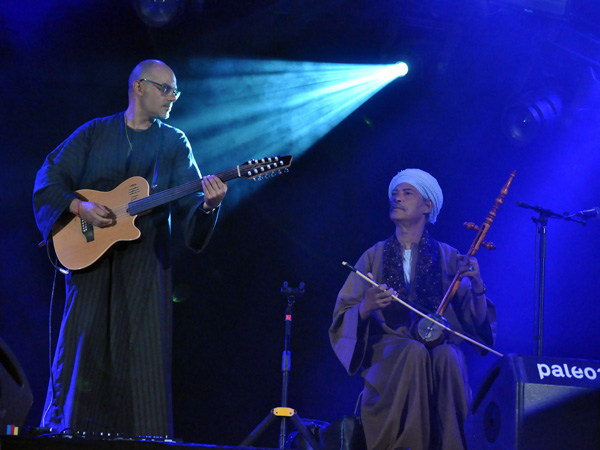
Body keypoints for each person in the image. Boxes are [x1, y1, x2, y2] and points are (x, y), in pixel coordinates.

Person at [33, 60, 228, 438]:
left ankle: (145, 441)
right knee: (80, 351)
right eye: (166, 89)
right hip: (89, 266)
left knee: (143, 359)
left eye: (175, 91)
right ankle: (66, 436)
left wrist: (208, 206)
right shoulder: (94, 133)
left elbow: (191, 207)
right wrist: (79, 206)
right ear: (139, 87)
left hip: (145, 265)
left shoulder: (173, 142)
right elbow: (49, 175)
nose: (173, 97)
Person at [329, 168, 496, 450]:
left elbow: (476, 320)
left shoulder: (449, 256)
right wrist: (366, 307)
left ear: (427, 206)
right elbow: (343, 314)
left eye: (408, 193)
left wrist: (477, 283)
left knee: (448, 356)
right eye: (395, 193)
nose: (398, 198)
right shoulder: (374, 255)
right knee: (412, 351)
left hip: (439, 346)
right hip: (390, 351)